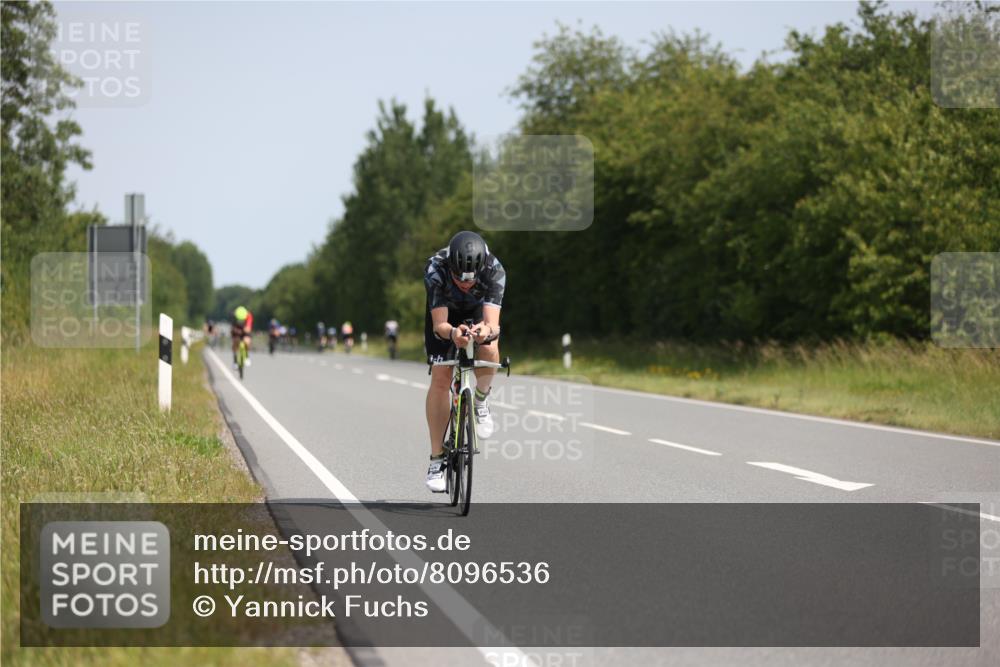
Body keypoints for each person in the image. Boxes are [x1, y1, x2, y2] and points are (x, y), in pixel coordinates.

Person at [423, 230, 505, 492]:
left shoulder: (494, 270)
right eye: (460, 279)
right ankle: (437, 459)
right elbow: (440, 325)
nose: (466, 284)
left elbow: (494, 325)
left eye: (470, 280)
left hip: (477, 311)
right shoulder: (436, 267)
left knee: (490, 350)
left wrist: (485, 331)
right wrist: (453, 334)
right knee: (441, 376)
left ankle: (480, 399)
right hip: (445, 315)